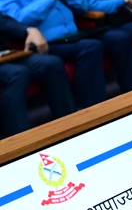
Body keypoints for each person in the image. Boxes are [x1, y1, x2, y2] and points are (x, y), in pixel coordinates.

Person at [0, 0, 107, 109]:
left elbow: (83, 6)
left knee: (103, 40)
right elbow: (17, 20)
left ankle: (97, 107)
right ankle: (89, 109)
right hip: (43, 42)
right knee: (90, 47)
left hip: (71, 36)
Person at [0, 9, 77, 138]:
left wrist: (28, 30)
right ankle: (21, 140)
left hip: (5, 55)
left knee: (51, 63)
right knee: (17, 74)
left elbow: (3, 22)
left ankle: (71, 125)